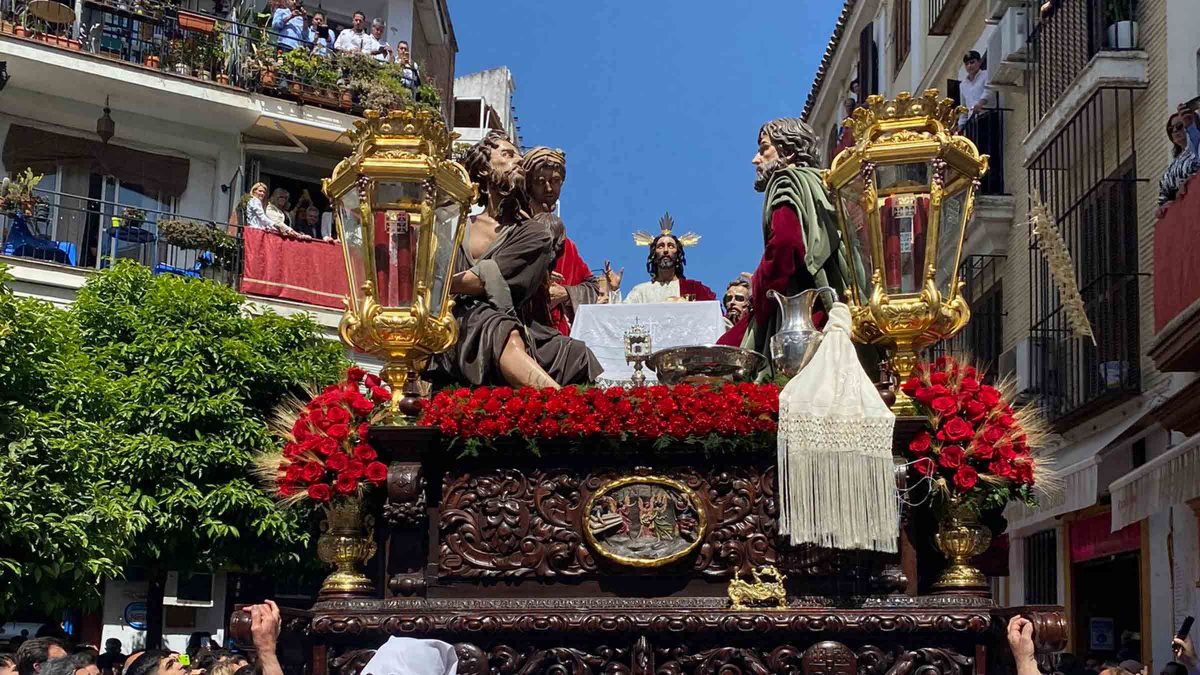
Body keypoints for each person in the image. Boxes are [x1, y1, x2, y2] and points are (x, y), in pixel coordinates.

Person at [432, 130, 600, 388]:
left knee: (575, 356)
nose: (518, 161)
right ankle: (560, 404)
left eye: (520, 157)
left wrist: (437, 285)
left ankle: (564, 406)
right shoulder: (455, 226)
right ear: (484, 170)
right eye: (508, 155)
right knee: (497, 327)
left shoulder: (533, 232)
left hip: (511, 315)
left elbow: (493, 279)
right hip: (462, 320)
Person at [717, 117, 861, 367]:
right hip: (834, 303)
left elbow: (785, 244)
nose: (755, 159)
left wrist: (759, 284)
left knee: (723, 360)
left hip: (800, 313)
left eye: (764, 149)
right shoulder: (820, 183)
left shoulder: (786, 181)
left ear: (790, 151)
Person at [520, 146, 603, 335]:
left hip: (559, 335)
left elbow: (591, 286)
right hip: (523, 330)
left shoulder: (568, 246)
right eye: (541, 182)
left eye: (555, 181)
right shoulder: (515, 229)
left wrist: (565, 293)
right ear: (528, 184)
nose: (549, 188)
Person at [624, 213, 715, 303]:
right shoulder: (640, 292)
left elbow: (714, 312)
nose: (666, 250)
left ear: (678, 255)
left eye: (671, 246)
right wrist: (614, 290)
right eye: (660, 246)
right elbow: (620, 313)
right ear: (654, 256)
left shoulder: (695, 289)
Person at [1157, 103, 1200, 217]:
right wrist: (1162, 207)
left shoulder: (1197, 150)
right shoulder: (1172, 167)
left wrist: (1191, 181)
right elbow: (1164, 195)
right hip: (1181, 214)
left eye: (1179, 126)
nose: (1175, 131)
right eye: (1171, 129)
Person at [958, 50, 992, 130]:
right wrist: (961, 125)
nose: (969, 66)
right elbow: (964, 107)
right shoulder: (963, 85)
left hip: (987, 117)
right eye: (967, 64)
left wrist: (980, 104)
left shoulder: (986, 74)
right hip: (972, 123)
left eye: (972, 62)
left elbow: (989, 91)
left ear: (979, 62)